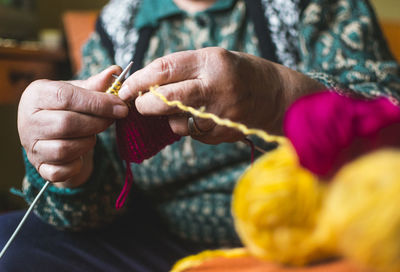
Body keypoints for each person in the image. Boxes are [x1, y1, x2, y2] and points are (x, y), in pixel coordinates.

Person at [1, 0, 399, 271]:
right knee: (12, 244)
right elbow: (97, 202)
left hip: (313, 230)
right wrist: (68, 161)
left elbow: (388, 113)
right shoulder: (119, 22)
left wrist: (278, 94)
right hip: (154, 240)